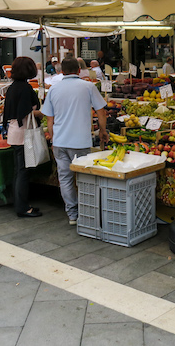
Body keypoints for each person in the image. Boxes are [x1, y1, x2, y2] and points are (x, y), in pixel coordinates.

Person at [42, 57, 109, 225]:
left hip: (60, 141)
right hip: (80, 141)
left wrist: (53, 137)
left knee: (65, 179)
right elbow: (101, 112)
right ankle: (87, 213)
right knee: (84, 178)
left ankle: (72, 214)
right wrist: (102, 130)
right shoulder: (88, 87)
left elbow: (50, 119)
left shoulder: (53, 89)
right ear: (79, 70)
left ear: (61, 71)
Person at [3, 57, 45, 219]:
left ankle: (19, 203)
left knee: (18, 171)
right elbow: (26, 112)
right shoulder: (25, 88)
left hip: (15, 133)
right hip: (24, 134)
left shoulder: (13, 87)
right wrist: (42, 113)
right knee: (23, 172)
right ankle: (22, 207)